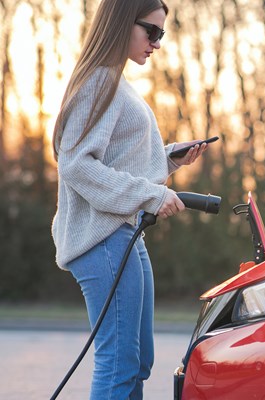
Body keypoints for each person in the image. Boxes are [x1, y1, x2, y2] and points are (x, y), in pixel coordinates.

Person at [51, 0, 207, 398]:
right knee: (119, 363)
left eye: (162, 34)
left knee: (136, 362)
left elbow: (117, 160)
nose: (156, 43)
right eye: (151, 31)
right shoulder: (100, 80)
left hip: (123, 235)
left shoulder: (116, 82)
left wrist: (168, 159)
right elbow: (77, 165)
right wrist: (151, 194)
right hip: (102, 239)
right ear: (122, 23)